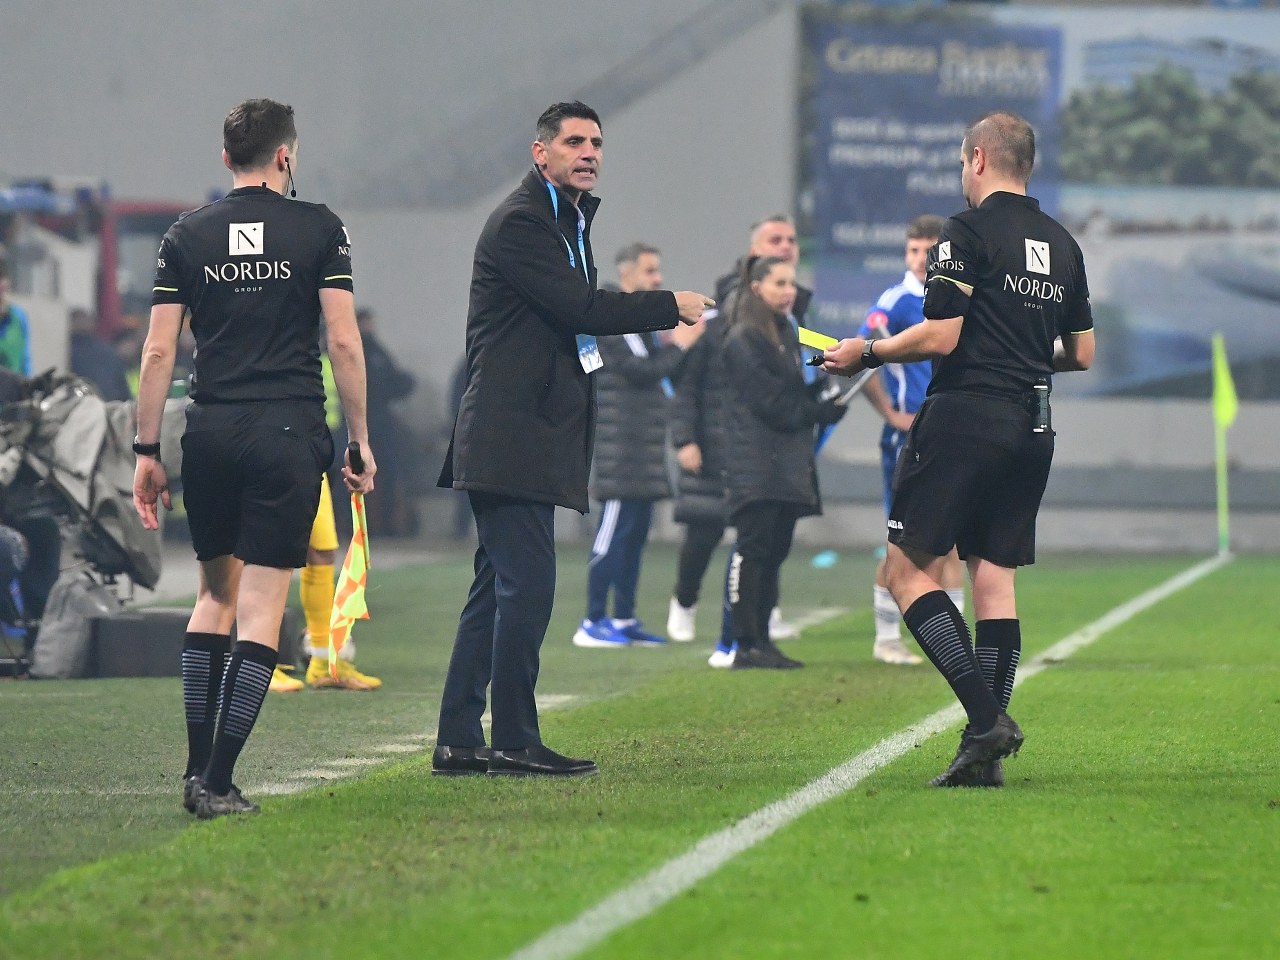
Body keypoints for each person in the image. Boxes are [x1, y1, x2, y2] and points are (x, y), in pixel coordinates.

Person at [434, 101, 711, 778]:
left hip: (524, 431)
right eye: (574, 142)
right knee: (526, 587)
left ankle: (459, 740)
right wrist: (668, 305)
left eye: (596, 143)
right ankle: (513, 738)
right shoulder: (523, 222)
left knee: (496, 588)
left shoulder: (565, 219)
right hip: (509, 433)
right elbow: (581, 308)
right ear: (542, 152)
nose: (589, 153)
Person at [818, 111, 1094, 786]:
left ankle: (986, 721)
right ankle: (983, 759)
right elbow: (1082, 353)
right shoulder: (1063, 244)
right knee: (993, 581)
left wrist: (868, 352)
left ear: (977, 159)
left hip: (966, 418)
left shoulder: (965, 230)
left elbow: (942, 335)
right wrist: (1021, 353)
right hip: (1032, 424)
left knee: (905, 572)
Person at [133, 98, 375, 818]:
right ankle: (217, 780)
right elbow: (343, 341)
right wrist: (359, 437)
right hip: (286, 432)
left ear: (226, 158)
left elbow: (158, 351)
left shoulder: (186, 234)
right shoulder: (321, 228)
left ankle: (194, 771)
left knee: (214, 598)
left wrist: (146, 449)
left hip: (208, 432)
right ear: (286, 155)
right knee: (262, 611)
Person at [668, 215, 807, 661]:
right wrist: (686, 437)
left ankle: (752, 635)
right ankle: (695, 611)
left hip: (765, 447)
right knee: (709, 531)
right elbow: (688, 382)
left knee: (765, 540)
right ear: (754, 258)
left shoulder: (789, 317)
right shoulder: (723, 316)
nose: (785, 246)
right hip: (723, 443)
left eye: (790, 240)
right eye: (774, 240)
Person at [573, 242, 702, 649]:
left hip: (641, 448)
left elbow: (657, 373)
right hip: (621, 450)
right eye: (650, 271)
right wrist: (681, 344)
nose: (658, 278)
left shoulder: (638, 325)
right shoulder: (613, 319)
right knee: (611, 535)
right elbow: (640, 372)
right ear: (626, 274)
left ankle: (624, 617)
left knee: (633, 538)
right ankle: (592, 620)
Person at [721, 256, 846, 669]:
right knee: (753, 551)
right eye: (779, 283)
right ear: (757, 287)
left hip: (784, 464)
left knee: (774, 553)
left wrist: (824, 398)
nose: (789, 291)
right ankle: (744, 643)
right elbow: (771, 404)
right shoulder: (743, 337)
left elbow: (792, 393)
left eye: (791, 283)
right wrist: (819, 410)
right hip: (756, 464)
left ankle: (762, 640)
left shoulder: (786, 332)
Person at [857, 215, 966, 667]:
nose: (921, 259)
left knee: (952, 542)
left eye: (929, 250)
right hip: (909, 440)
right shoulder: (896, 301)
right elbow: (861, 349)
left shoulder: (955, 297)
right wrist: (890, 413)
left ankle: (956, 645)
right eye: (914, 250)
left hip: (951, 433)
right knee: (902, 543)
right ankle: (886, 638)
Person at [68, 308, 132, 402]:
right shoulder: (108, 352)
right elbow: (123, 390)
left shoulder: (65, 351)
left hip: (79, 404)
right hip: (107, 405)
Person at [0, 260, 32, 376]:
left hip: (13, 384)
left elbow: (25, 358)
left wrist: (30, 383)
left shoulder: (19, 317)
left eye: (3, 290)